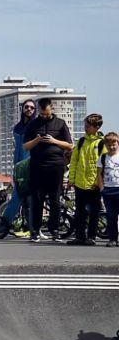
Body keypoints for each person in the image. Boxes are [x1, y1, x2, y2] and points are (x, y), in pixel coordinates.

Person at [23, 97, 73, 242]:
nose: (44, 116)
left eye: (47, 113)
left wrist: (53, 141)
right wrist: (36, 140)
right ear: (38, 110)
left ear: (52, 108)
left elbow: (70, 145)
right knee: (37, 200)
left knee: (55, 200)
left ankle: (54, 230)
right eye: (42, 113)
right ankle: (35, 231)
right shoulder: (33, 124)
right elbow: (25, 146)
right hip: (37, 166)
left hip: (56, 165)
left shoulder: (60, 123)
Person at [67, 113, 105, 246]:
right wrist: (71, 179)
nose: (85, 128)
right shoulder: (81, 141)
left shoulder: (102, 143)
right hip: (80, 183)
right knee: (79, 212)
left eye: (88, 126)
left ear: (96, 127)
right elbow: (74, 161)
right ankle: (80, 236)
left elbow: (104, 165)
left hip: (94, 184)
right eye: (85, 125)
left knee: (94, 212)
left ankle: (91, 236)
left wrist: (98, 182)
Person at [2, 99, 37, 234]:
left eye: (32, 108)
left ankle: (34, 230)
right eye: (26, 107)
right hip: (18, 168)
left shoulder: (36, 126)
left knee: (31, 200)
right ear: (22, 109)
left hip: (31, 167)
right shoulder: (17, 127)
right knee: (16, 199)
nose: (29, 109)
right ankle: (3, 227)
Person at [98, 131, 119, 247]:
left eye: (114, 144)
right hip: (108, 190)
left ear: (118, 143)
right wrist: (102, 189)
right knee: (111, 216)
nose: (111, 147)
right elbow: (99, 174)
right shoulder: (103, 158)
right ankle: (112, 238)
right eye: (109, 145)